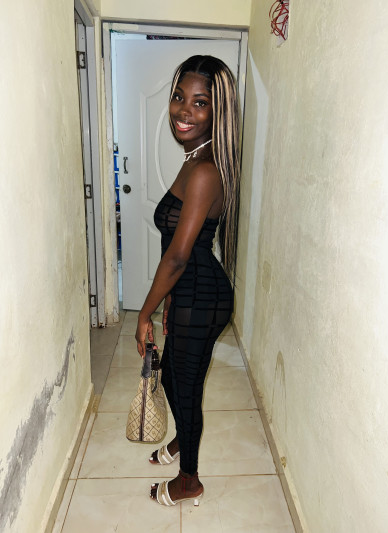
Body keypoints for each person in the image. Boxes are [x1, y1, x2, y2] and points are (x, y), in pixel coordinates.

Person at [135, 55, 240, 506]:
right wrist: (171, 302)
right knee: (175, 380)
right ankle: (183, 439)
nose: (184, 110)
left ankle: (188, 480)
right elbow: (182, 254)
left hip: (201, 295)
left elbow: (178, 256)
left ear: (218, 111)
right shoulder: (196, 157)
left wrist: (145, 313)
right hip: (191, 293)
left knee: (185, 387)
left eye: (200, 102)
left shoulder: (204, 171)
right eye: (179, 97)